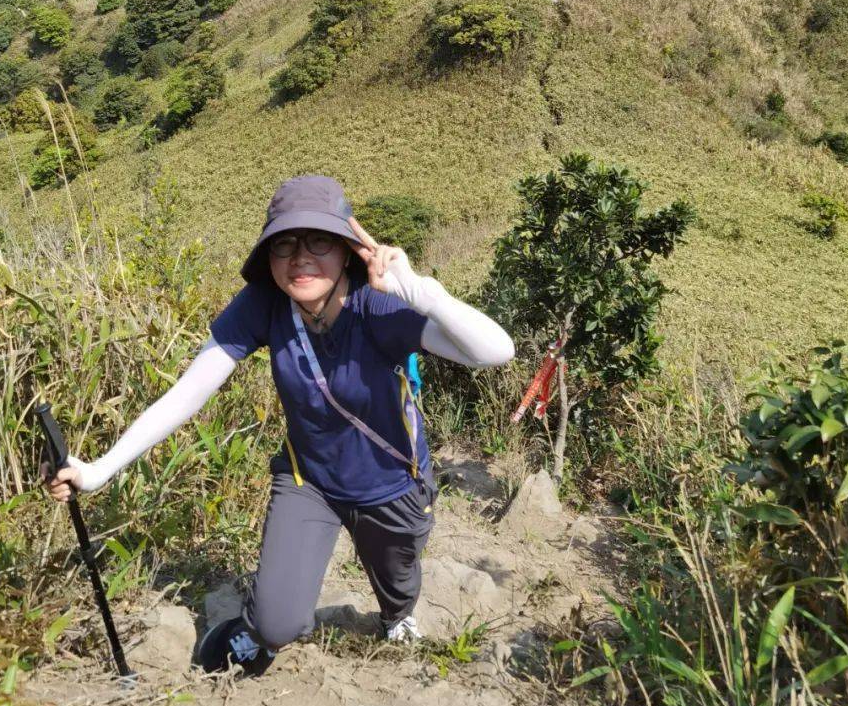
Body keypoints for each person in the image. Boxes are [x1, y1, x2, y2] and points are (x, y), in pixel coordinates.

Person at [44, 174, 514, 676]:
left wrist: (418, 290)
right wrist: (100, 468)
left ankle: (397, 616)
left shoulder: (381, 305)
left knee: (398, 583)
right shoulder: (265, 303)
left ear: (349, 251)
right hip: (308, 480)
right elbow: (187, 394)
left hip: (392, 482)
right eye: (284, 243)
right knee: (275, 624)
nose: (301, 257)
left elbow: (495, 351)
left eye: (320, 241)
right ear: (267, 257)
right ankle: (268, 622)